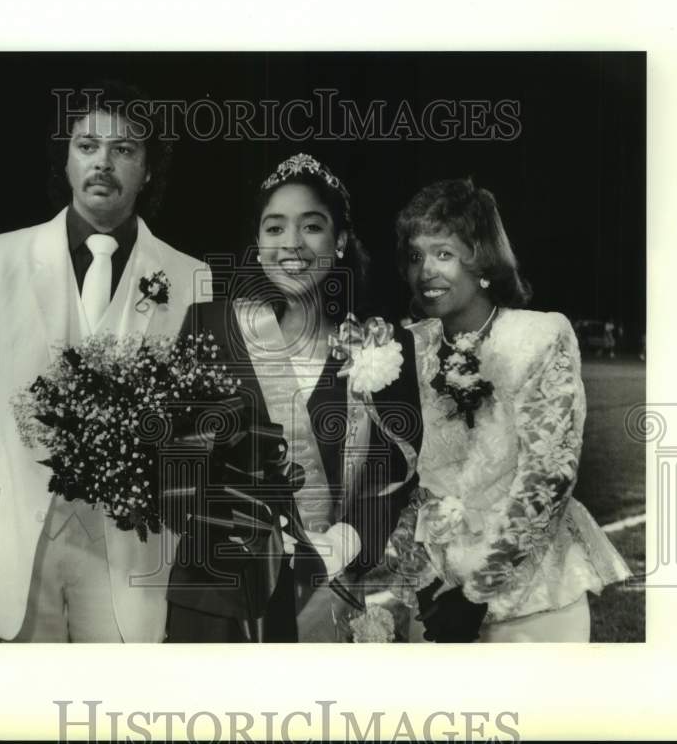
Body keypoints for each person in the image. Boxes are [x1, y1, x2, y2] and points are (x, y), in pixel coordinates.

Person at [0, 78, 211, 642]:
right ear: (65, 160)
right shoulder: (2, 257)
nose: (103, 163)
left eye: (124, 149)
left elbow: (195, 425)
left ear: (149, 168)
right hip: (18, 539)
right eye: (87, 146)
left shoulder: (191, 276)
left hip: (133, 551)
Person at [165, 153, 422, 642]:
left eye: (312, 226)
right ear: (258, 245)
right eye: (275, 228)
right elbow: (176, 463)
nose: (292, 244)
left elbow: (396, 474)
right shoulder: (210, 327)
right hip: (215, 597)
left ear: (340, 240)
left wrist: (343, 544)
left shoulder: (384, 344)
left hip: (325, 591)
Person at [390, 178, 630, 642]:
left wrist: (475, 595)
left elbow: (549, 477)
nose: (426, 271)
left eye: (444, 253)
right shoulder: (412, 347)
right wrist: (419, 577)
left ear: (482, 260)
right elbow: (409, 479)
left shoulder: (536, 336)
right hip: (436, 598)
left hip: (531, 602)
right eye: (416, 256)